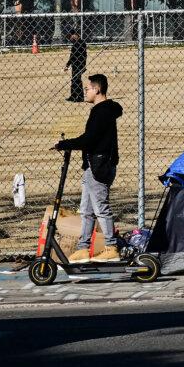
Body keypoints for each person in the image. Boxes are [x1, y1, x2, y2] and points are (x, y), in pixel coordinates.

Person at [54, 74, 123, 263]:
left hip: (98, 165)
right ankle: (83, 248)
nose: (84, 92)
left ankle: (111, 247)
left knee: (100, 208)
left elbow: (89, 139)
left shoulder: (101, 112)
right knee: (86, 210)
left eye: (88, 89)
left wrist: (65, 144)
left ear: (97, 89)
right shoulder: (104, 110)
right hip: (93, 165)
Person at [64, 29, 87, 102]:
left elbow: (74, 55)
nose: (70, 39)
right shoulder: (76, 43)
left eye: (70, 37)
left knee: (77, 80)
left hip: (79, 64)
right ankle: (73, 96)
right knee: (74, 80)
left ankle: (80, 97)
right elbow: (72, 56)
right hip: (75, 64)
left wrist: (83, 65)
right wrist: (68, 65)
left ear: (74, 35)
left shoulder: (80, 43)